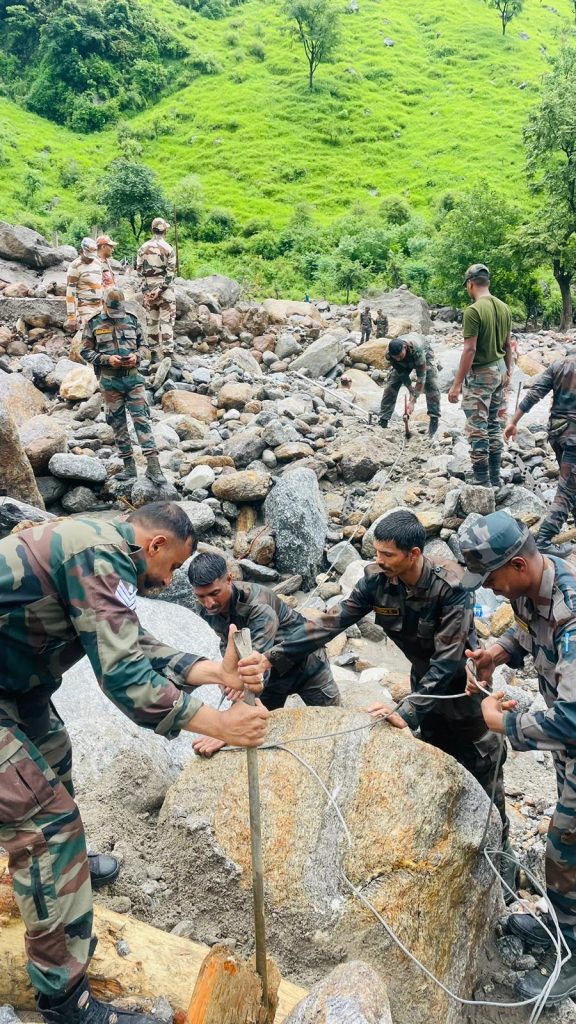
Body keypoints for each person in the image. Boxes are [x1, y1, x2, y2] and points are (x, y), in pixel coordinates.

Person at [0, 502, 268, 1024]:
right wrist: (220, 726)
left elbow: (126, 639)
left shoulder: (98, 546)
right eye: (170, 568)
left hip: (12, 688)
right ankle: (64, 998)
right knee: (48, 823)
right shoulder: (101, 554)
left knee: (52, 755)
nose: (167, 579)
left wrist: (214, 670)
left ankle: (60, 877)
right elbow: (126, 680)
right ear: (156, 546)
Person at [261, 510, 514, 891]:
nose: (378, 560)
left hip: (462, 692)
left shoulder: (453, 586)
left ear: (414, 554)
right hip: (421, 686)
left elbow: (447, 661)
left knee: (484, 772)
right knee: (434, 767)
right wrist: (272, 656)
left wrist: (405, 710)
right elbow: (332, 623)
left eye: (387, 555)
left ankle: (501, 863)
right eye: (376, 552)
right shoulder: (375, 581)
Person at [461, 511, 576, 1005]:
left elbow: (573, 719)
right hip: (567, 749)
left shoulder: (573, 618)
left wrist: (502, 724)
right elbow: (530, 632)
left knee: (562, 846)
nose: (490, 588)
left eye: (492, 578)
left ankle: (570, 958)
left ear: (519, 564)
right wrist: (498, 653)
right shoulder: (537, 584)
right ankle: (565, 917)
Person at [188, 553, 341, 757]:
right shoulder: (205, 608)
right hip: (273, 680)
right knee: (254, 732)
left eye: (215, 593)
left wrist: (229, 719)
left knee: (336, 727)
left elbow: (257, 663)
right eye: (201, 596)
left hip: (306, 666)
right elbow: (228, 640)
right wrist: (227, 672)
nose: (209, 604)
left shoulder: (258, 605)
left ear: (229, 579)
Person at [81, 288, 166, 486]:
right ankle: (129, 467)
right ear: (104, 304)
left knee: (142, 420)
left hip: (133, 380)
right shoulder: (93, 323)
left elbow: (145, 348)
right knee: (117, 423)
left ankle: (154, 468)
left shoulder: (131, 320)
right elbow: (85, 352)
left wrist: (137, 356)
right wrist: (107, 359)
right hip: (110, 382)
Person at [448, 263, 513, 488]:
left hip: (481, 375)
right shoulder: (504, 308)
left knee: (477, 428)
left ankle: (482, 481)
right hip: (500, 371)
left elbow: (470, 349)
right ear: (488, 282)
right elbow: (508, 345)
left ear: (470, 284)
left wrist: (456, 385)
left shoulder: (473, 311)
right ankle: (495, 477)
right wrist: (509, 373)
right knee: (494, 424)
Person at [504, 357, 576, 557]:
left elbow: (534, 395)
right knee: (567, 491)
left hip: (557, 433)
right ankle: (544, 540)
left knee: (571, 483)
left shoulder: (560, 365)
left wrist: (513, 421)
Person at [379, 336, 441, 437]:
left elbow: (421, 378)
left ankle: (434, 421)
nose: (398, 359)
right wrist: (411, 391)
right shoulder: (390, 355)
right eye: (396, 357)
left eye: (400, 356)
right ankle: (383, 419)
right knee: (392, 383)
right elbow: (402, 374)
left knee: (430, 383)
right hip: (406, 359)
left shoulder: (418, 351)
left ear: (404, 347)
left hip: (424, 353)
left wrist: (412, 401)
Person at [136, 218, 176, 364]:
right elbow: (170, 273)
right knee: (166, 320)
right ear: (165, 230)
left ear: (152, 230)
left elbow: (139, 271)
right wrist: (160, 290)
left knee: (152, 321)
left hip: (148, 289)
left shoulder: (143, 248)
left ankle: (153, 354)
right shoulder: (168, 249)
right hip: (165, 292)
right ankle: (168, 354)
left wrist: (147, 291)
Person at [65, 237, 103, 331]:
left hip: (100, 307)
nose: (90, 259)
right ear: (81, 251)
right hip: (84, 308)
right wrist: (71, 316)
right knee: (87, 337)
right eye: (88, 257)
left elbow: (101, 284)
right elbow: (70, 292)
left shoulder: (97, 263)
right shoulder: (75, 266)